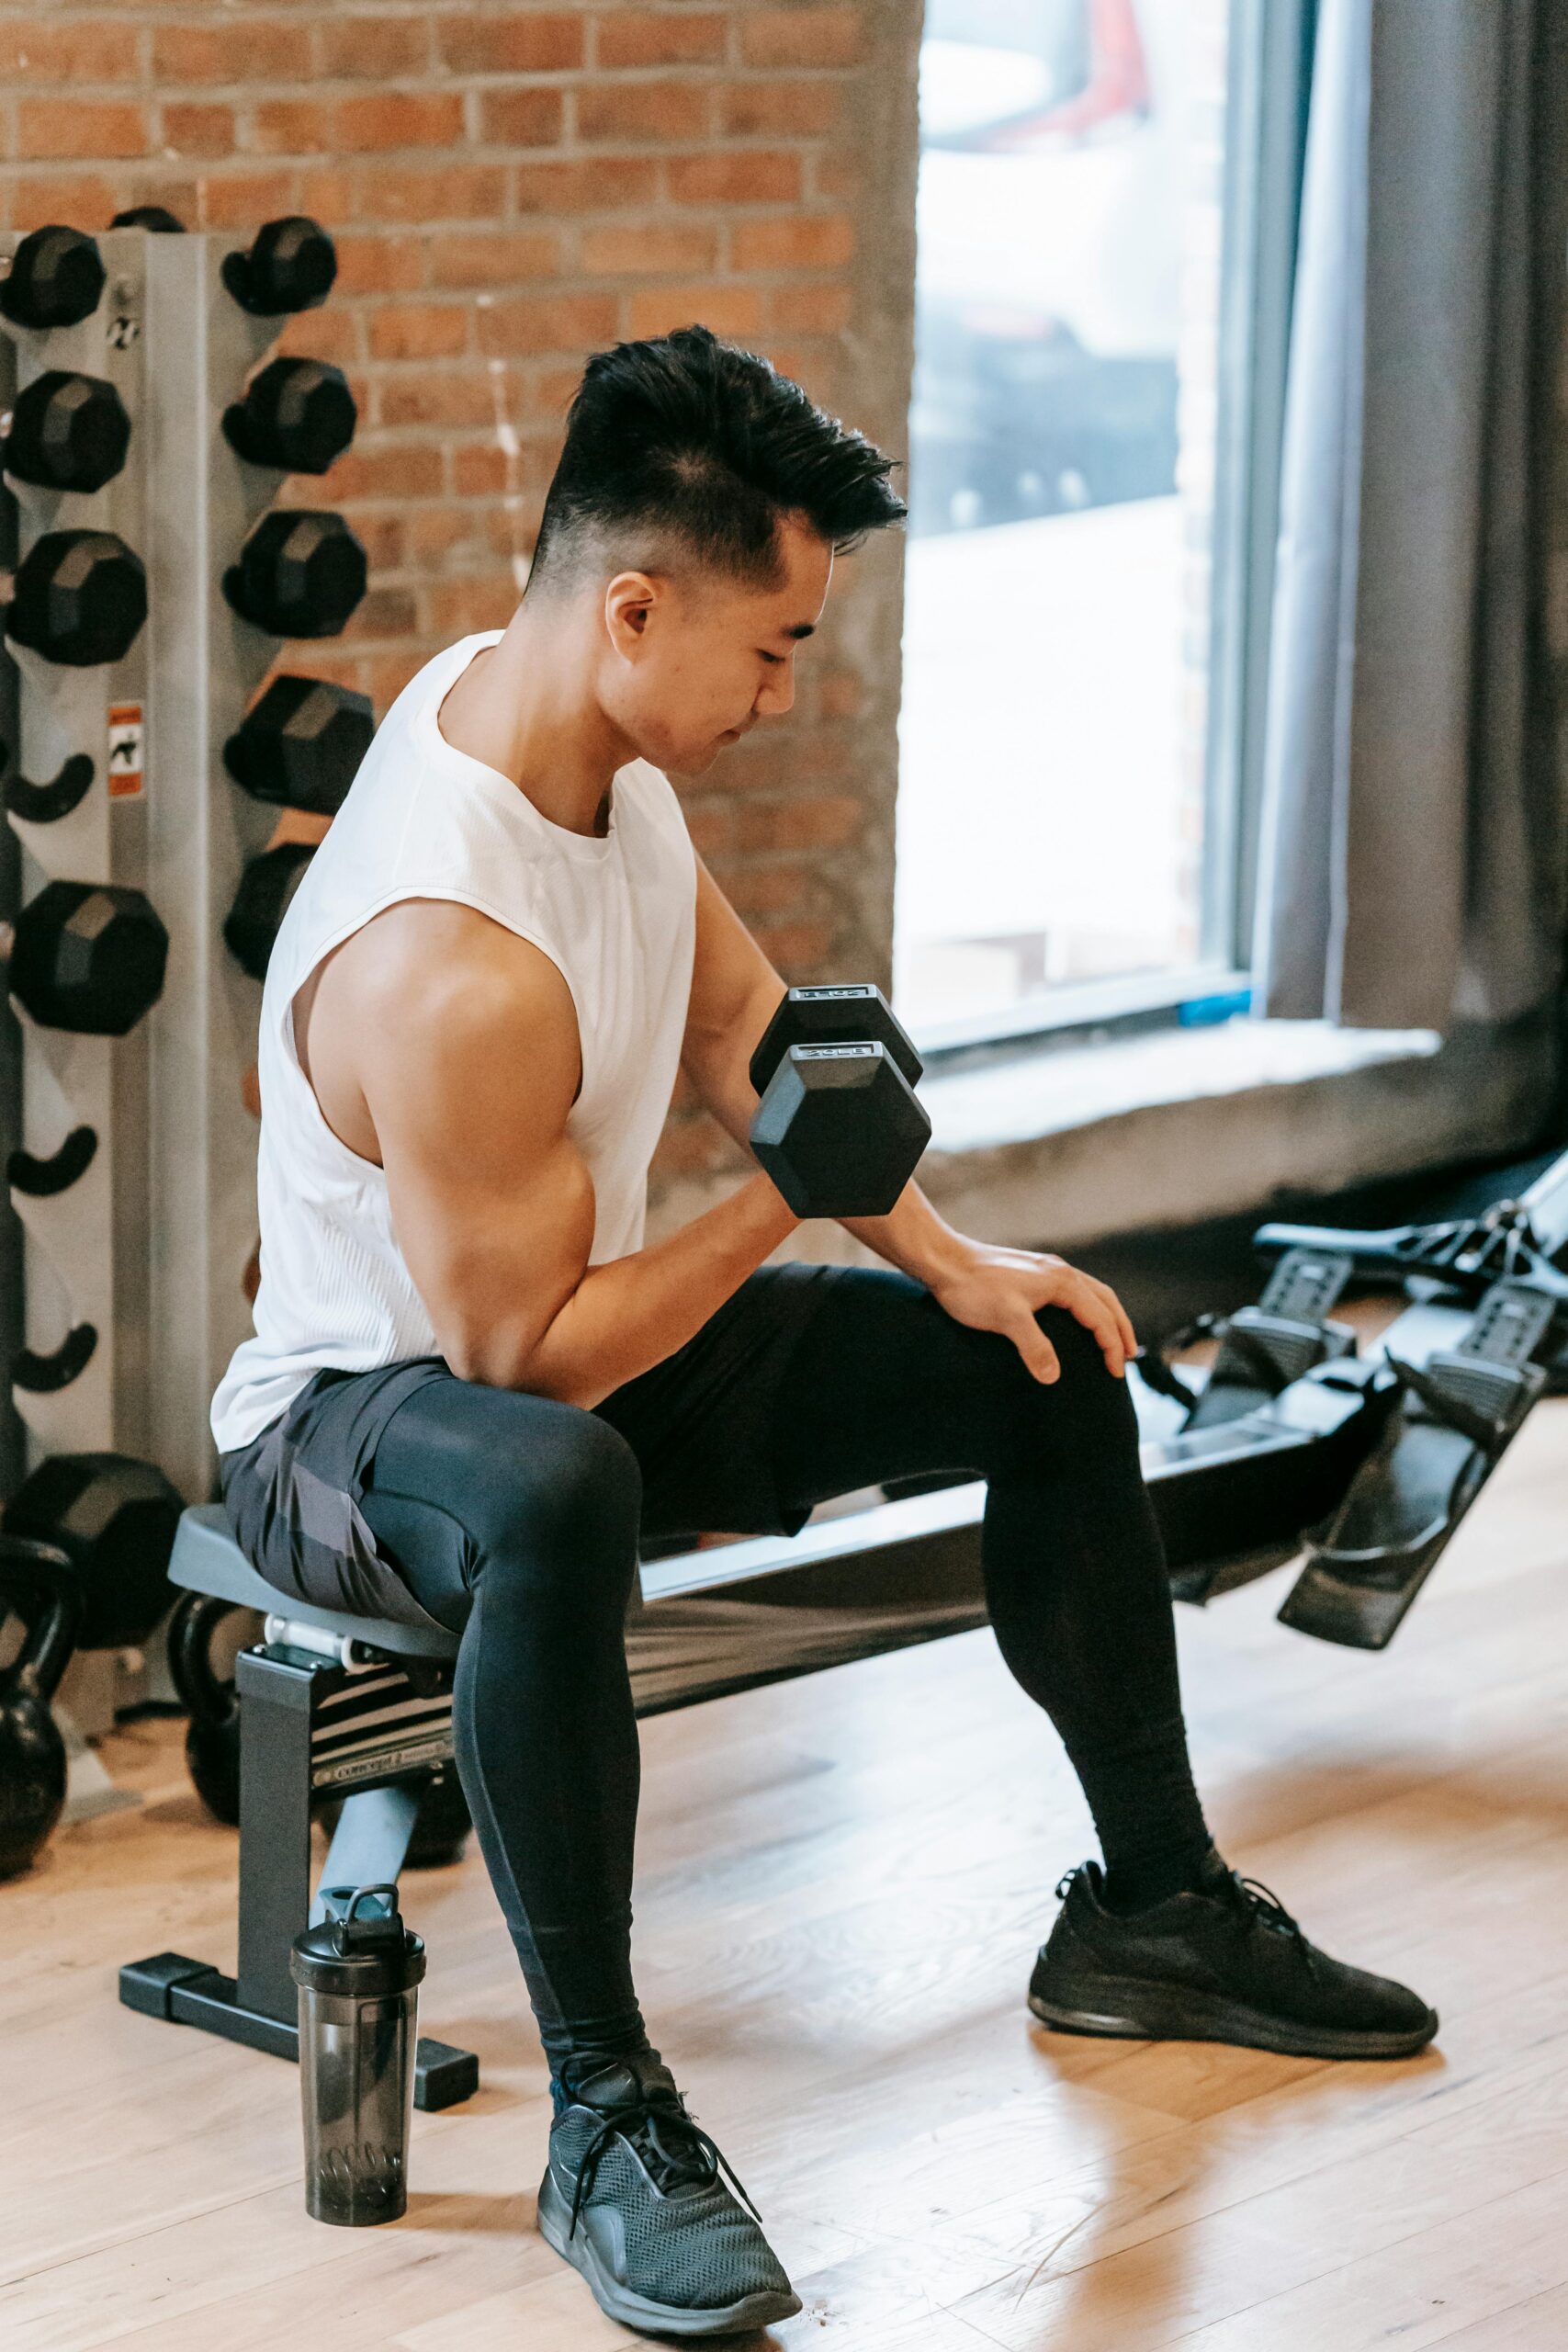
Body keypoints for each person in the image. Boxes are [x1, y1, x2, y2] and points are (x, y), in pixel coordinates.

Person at [212, 324, 1437, 2337]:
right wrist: (781, 1204)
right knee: (553, 1479)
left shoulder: (574, 740)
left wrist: (952, 1260)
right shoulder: (451, 958)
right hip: (362, 1421)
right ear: (632, 608)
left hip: (566, 1349)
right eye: (773, 646)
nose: (787, 691)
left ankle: (1152, 1907)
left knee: (1039, 1354)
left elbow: (743, 1037)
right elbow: (525, 1362)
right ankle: (607, 2113)